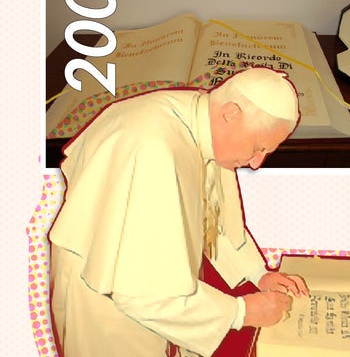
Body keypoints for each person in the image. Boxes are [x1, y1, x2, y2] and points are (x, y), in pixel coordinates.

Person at [49, 67, 309, 357]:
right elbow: (142, 291)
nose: (256, 163)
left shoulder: (198, 118)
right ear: (230, 113)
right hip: (104, 305)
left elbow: (210, 216)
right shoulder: (152, 151)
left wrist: (257, 273)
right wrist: (241, 312)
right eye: (258, 148)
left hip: (135, 292)